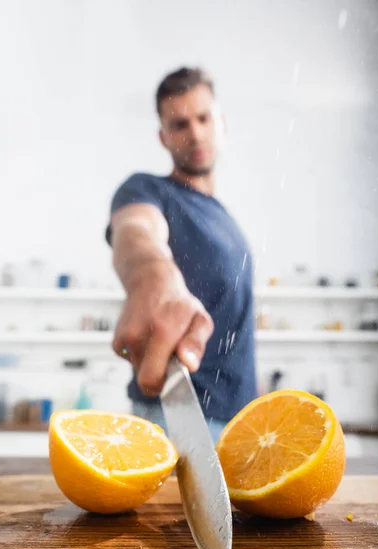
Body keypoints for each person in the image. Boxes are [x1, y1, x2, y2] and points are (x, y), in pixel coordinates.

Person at [106, 67, 257, 444]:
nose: (195, 133)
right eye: (180, 124)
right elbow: (136, 233)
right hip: (176, 413)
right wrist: (156, 275)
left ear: (221, 122)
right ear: (163, 137)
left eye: (203, 118)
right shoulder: (147, 190)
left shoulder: (225, 218)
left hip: (235, 417)